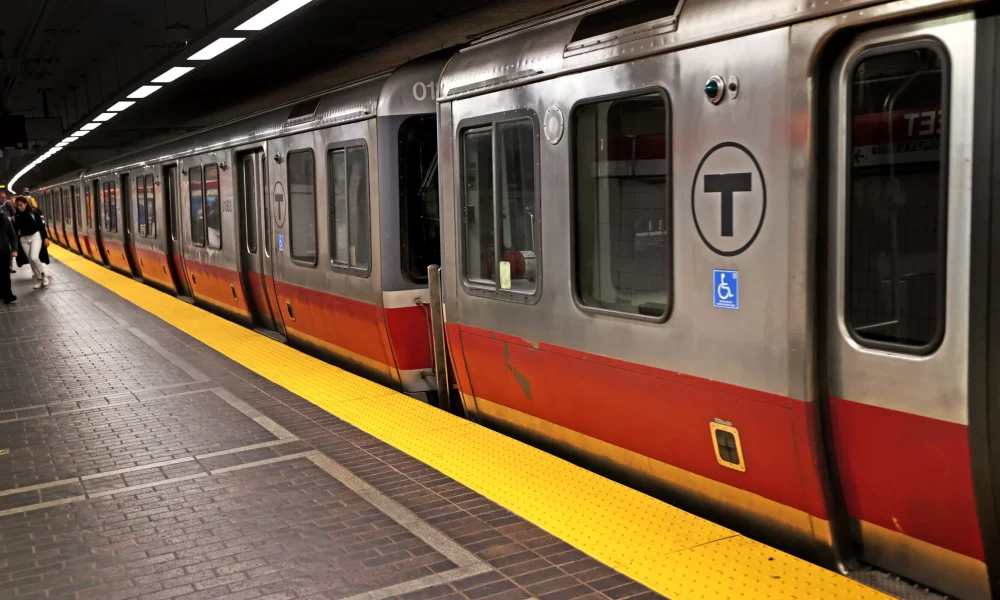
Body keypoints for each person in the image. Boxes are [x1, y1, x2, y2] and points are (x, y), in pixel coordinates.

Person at [13, 196, 49, 289]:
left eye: (20, 205)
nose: (19, 207)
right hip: (24, 239)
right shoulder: (17, 215)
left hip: (35, 237)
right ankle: (38, 280)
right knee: (30, 260)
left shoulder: (34, 212)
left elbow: (41, 226)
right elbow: (16, 229)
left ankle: (43, 275)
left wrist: (45, 238)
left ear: (25, 204)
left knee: (34, 257)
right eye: (17, 206)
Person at [0, 205, 16, 303]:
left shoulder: (4, 218)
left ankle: (7, 295)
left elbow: (11, 233)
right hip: (4, 250)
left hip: (4, 251)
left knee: (5, 274)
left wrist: (14, 248)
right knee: (4, 275)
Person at [1, 194, 15, 274]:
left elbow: (14, 215)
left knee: (8, 249)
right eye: (1, 197)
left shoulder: (8, 205)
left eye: (4, 197)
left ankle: (9, 266)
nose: (3, 199)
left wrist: (10, 219)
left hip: (7, 230)